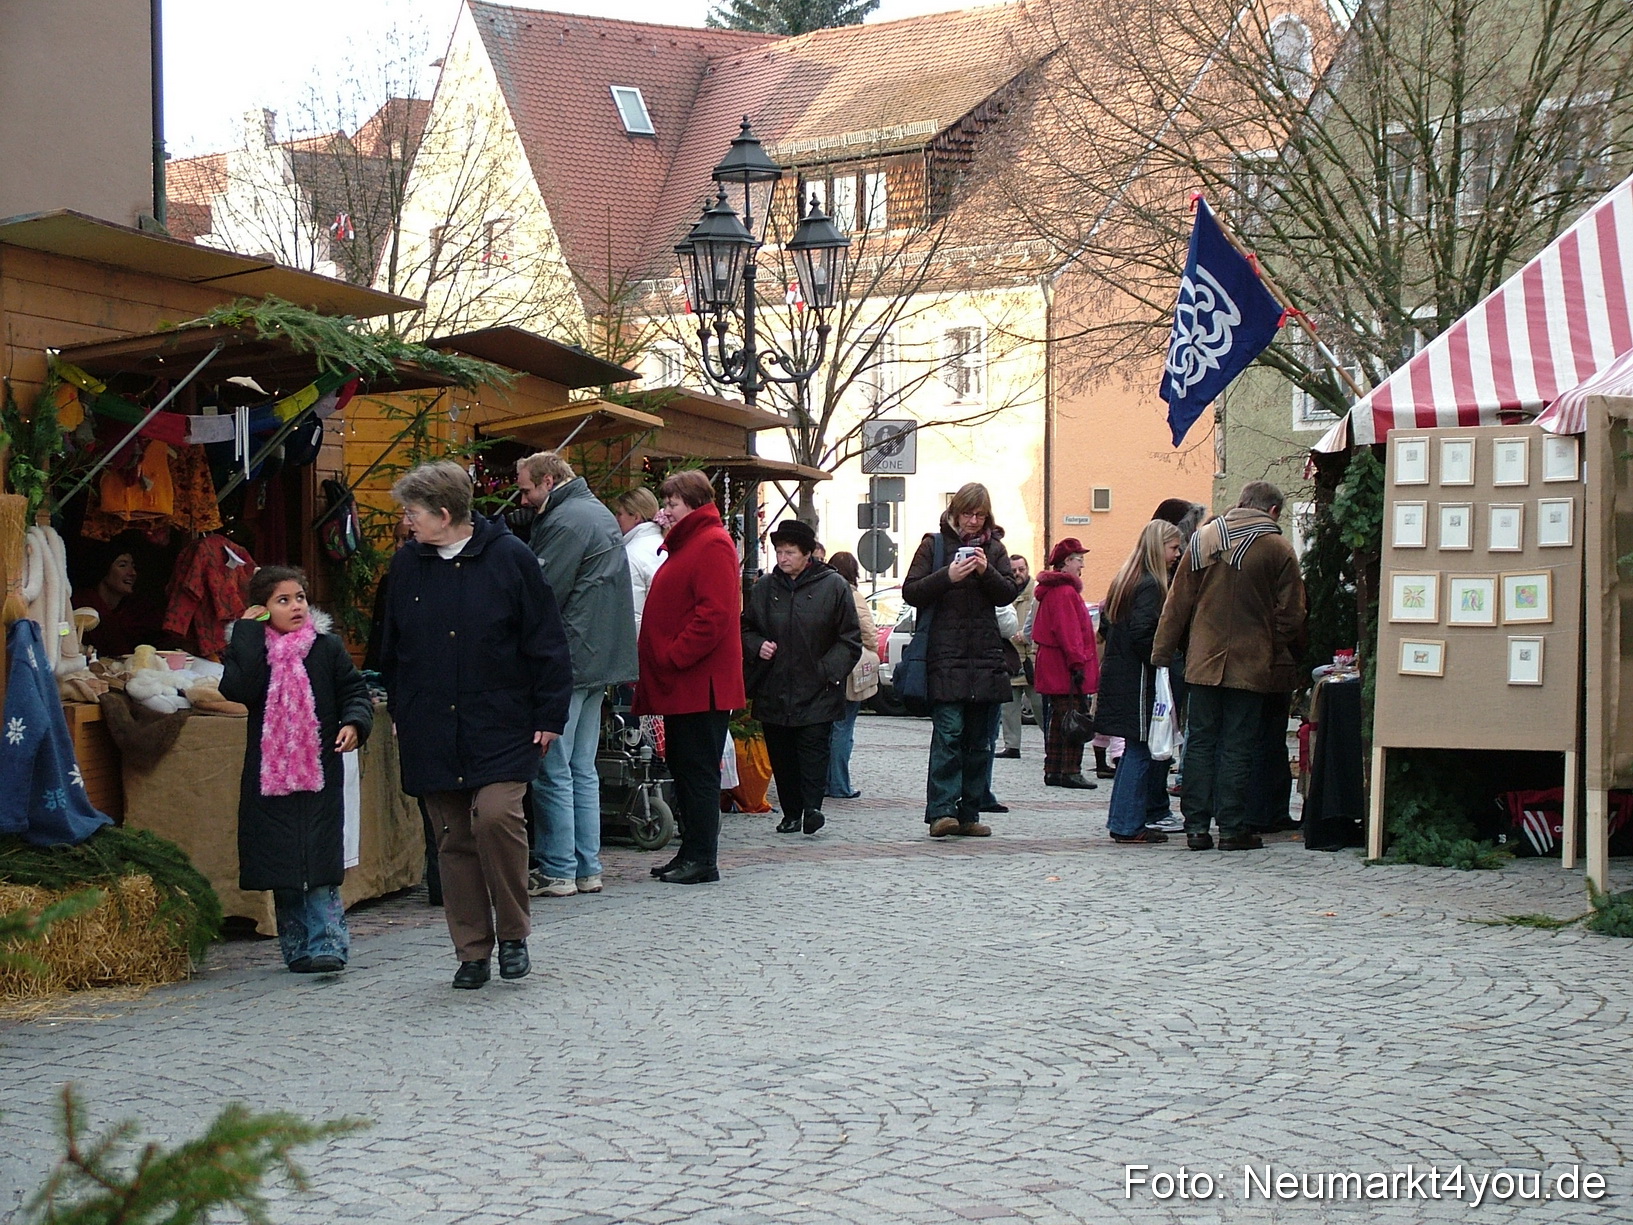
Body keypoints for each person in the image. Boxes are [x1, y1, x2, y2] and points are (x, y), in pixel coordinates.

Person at [379, 460, 573, 988]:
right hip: (431, 723)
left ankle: (513, 932)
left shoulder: (510, 558)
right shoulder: (408, 565)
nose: (407, 522)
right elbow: (392, 647)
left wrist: (549, 713)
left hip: (502, 720)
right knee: (453, 838)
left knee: (495, 817)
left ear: (444, 514)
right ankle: (471, 951)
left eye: (414, 513)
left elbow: (547, 640)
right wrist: (400, 709)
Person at [221, 566, 373, 973]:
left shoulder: (326, 648)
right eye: (283, 600)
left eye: (300, 597)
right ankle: (298, 949)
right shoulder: (253, 651)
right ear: (262, 608)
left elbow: (354, 691)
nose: (296, 607)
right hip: (270, 777)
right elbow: (237, 688)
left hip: (318, 772)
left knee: (319, 864)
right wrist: (247, 632)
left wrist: (354, 723)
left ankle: (329, 944)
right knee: (283, 866)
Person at [1152, 481, 1307, 852]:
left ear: (1241, 502)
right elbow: (1293, 613)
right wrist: (1272, 642)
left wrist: (1164, 652)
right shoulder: (1277, 548)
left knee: (1200, 743)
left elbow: (1177, 604)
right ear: (1273, 511)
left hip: (1203, 660)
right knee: (1238, 746)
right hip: (1251, 663)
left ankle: (1196, 828)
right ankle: (1233, 829)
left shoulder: (1202, 540)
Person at [516, 452, 638, 899]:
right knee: (582, 768)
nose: (523, 500)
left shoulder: (566, 521)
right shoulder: (595, 511)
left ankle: (559, 869)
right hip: (599, 658)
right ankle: (587, 867)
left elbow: (543, 593)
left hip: (569, 658)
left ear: (549, 481)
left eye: (527, 489)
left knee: (553, 769)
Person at [635, 469, 746, 883]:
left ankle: (702, 858)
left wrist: (673, 655)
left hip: (701, 684)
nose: (665, 511)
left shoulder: (712, 542)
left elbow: (713, 614)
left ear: (694, 504)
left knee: (698, 772)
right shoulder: (692, 541)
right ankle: (690, 852)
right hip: (687, 683)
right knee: (685, 768)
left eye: (672, 503)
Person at [902, 482, 1020, 838]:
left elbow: (1007, 594)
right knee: (948, 735)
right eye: (967, 514)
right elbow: (911, 591)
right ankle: (941, 811)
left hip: (984, 658)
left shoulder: (995, 549)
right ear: (954, 512)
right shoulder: (933, 545)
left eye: (979, 515)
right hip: (945, 657)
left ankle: (969, 813)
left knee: (979, 741)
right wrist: (947, 577)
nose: (973, 521)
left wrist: (986, 571)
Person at [742, 521, 861, 834]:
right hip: (775, 685)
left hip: (818, 688)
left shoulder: (833, 586)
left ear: (807, 554)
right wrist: (757, 645)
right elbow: (745, 627)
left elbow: (850, 639)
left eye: (790, 552)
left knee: (813, 751)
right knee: (782, 754)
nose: (783, 558)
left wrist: (827, 671)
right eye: (779, 552)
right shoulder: (765, 588)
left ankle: (812, 808)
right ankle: (792, 812)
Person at [1097, 521, 1183, 844]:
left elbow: (1111, 628)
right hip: (1140, 679)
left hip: (1122, 676)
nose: (1177, 554)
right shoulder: (1151, 585)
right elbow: (1143, 632)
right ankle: (1128, 823)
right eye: (1173, 548)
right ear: (1158, 548)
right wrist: (1163, 659)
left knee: (1134, 749)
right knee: (1140, 750)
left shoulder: (1126, 579)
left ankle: (1122, 820)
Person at [1031, 538, 1099, 789]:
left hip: (1055, 665)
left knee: (1060, 719)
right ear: (1067, 562)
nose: (1082, 565)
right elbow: (1069, 633)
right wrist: (1077, 664)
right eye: (1079, 560)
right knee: (1074, 717)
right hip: (1064, 667)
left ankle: (1054, 769)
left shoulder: (1054, 591)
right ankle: (1069, 770)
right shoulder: (1065, 592)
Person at [824, 550, 877, 800]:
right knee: (843, 729)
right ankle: (839, 784)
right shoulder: (853, 595)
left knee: (827, 729)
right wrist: (871, 652)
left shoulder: (823, 592)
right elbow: (867, 631)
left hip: (825, 666)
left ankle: (824, 782)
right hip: (847, 666)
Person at [73, 544, 164, 658]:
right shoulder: (81, 605)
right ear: (104, 569)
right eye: (122, 565)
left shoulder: (137, 611)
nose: (132, 573)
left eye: (133, 566)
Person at [995, 554, 1036, 759]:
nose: (1018, 573)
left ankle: (1051, 743)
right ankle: (1011, 746)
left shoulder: (1036, 593)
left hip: (1031, 658)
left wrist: (1028, 635)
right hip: (1010, 657)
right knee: (1008, 708)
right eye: (1014, 570)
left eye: (1021, 569)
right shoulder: (1004, 592)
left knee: (1039, 704)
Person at [612, 486, 666, 630]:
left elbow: (633, 614)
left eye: (620, 514)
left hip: (646, 637)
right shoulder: (665, 544)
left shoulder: (631, 554)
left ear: (636, 517)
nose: (616, 519)